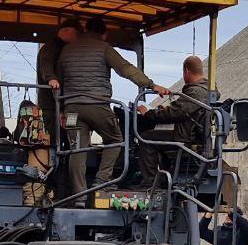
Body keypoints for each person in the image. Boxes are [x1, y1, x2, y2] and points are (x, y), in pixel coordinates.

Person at [53, 16, 170, 203]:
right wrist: (151, 85)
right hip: (97, 105)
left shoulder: (66, 50)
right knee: (116, 140)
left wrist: (61, 110)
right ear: (104, 33)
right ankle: (102, 180)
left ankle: (79, 197)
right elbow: (125, 69)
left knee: (77, 150)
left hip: (72, 109)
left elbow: (58, 82)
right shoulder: (104, 48)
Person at [135, 54, 212, 185]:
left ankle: (150, 182)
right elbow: (182, 111)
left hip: (186, 138)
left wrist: (148, 113)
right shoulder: (208, 90)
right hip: (196, 136)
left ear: (186, 71)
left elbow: (176, 114)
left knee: (146, 137)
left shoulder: (196, 92)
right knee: (159, 139)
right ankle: (165, 177)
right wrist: (163, 110)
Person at [36, 19, 78, 146]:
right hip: (52, 105)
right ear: (66, 31)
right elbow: (46, 64)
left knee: (70, 137)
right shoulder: (51, 47)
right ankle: (56, 163)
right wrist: (51, 78)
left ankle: (66, 161)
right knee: (54, 139)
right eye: (76, 34)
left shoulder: (64, 48)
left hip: (65, 104)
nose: (78, 38)